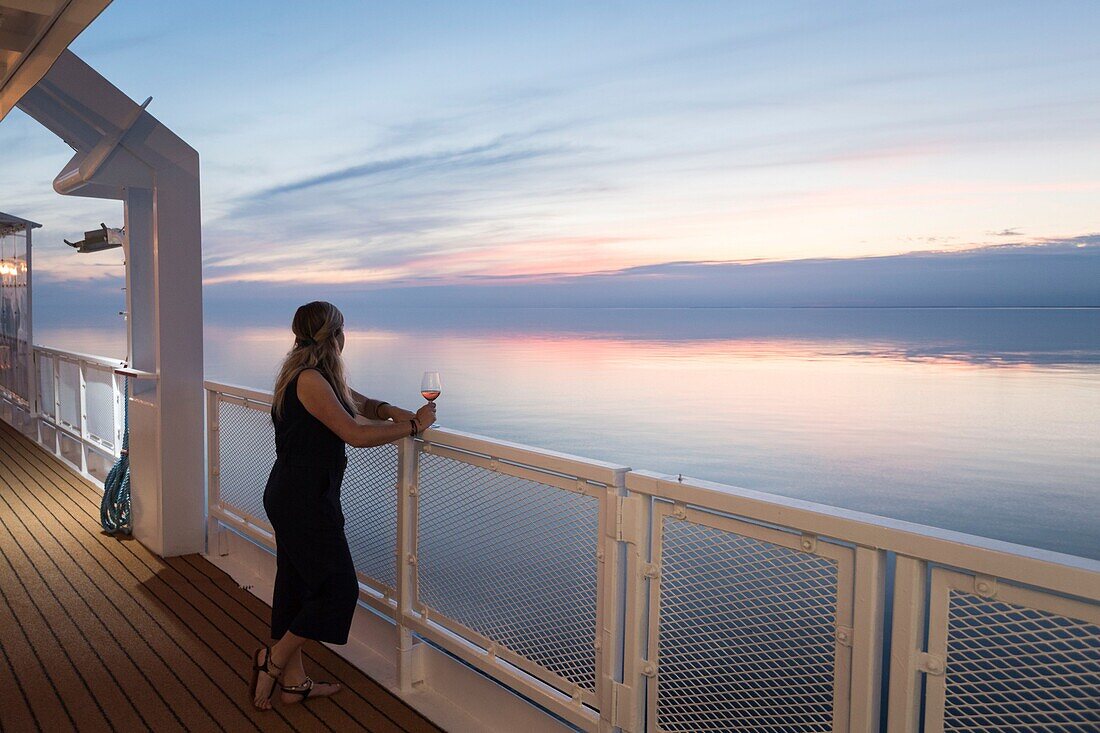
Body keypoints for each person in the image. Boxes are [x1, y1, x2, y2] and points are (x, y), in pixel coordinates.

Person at [249, 300, 436, 710]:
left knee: (295, 586)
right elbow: (354, 433)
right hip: (304, 499)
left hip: (298, 492)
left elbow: (356, 402)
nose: (345, 336)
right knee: (339, 589)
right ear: (334, 335)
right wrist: (414, 426)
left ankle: (293, 684)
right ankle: (274, 660)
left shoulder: (308, 372)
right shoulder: (311, 379)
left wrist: (387, 410)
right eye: (343, 328)